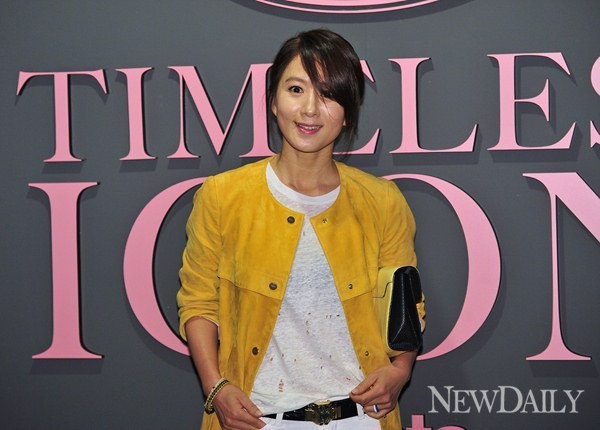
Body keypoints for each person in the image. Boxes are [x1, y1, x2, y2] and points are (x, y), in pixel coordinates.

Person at [177, 29, 425, 430]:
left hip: (361, 418)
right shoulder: (222, 196)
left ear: (348, 111)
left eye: (328, 94)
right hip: (258, 417)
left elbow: (405, 305)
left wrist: (401, 370)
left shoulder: (383, 201)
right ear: (273, 101)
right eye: (296, 89)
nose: (310, 109)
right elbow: (198, 301)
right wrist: (215, 386)